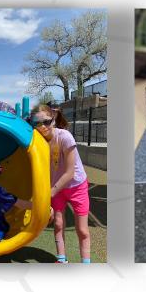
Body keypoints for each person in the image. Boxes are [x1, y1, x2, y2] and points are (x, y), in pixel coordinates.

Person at [33, 105, 91, 263]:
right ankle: (61, 259)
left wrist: (49, 193)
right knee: (58, 223)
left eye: (46, 121)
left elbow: (70, 172)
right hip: (57, 187)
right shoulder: (37, 141)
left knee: (82, 229)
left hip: (75, 186)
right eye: (37, 123)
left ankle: (86, 263)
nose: (42, 126)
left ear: (53, 120)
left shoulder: (64, 137)